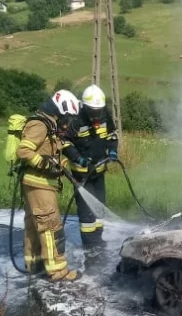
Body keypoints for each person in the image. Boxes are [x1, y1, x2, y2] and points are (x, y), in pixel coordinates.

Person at [15, 90, 80, 282]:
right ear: (59, 110)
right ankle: (58, 272)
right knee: (50, 226)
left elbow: (51, 152)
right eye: (66, 116)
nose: (67, 121)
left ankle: (35, 265)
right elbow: (24, 150)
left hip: (40, 183)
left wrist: (63, 167)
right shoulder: (40, 125)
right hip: (39, 184)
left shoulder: (50, 125)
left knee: (35, 225)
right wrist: (43, 164)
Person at [62, 84, 118, 246]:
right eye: (93, 112)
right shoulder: (75, 120)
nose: (97, 116)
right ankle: (90, 245)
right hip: (82, 176)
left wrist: (112, 150)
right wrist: (78, 158)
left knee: (99, 208)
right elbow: (64, 143)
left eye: (99, 111)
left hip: (99, 173)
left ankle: (98, 239)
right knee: (87, 214)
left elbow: (112, 136)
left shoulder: (105, 116)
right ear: (85, 108)